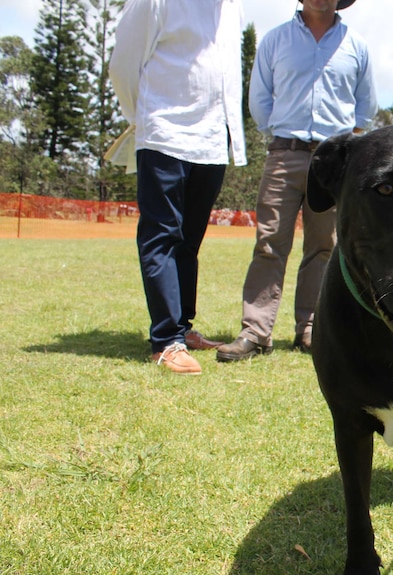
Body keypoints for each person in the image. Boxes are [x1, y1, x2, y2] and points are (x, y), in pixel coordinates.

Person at [216, 0, 377, 362]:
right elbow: (259, 99)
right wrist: (282, 133)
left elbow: (365, 106)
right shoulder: (275, 41)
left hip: (334, 160)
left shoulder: (357, 46)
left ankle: (312, 329)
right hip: (283, 153)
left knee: (324, 246)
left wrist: (344, 149)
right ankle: (255, 332)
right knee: (269, 242)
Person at [109, 0, 247, 375]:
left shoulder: (232, 8)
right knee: (162, 236)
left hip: (212, 142)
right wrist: (147, 116)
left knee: (189, 241)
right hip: (164, 136)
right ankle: (165, 340)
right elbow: (122, 65)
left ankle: (183, 330)